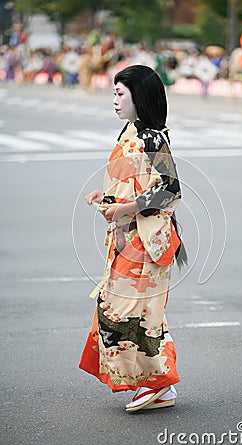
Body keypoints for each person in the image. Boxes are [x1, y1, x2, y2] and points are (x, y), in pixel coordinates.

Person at [79, 65, 186, 412]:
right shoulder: (129, 132)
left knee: (134, 310)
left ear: (139, 97)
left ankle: (158, 384)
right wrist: (107, 198)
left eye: (120, 93)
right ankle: (154, 383)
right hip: (128, 239)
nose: (114, 99)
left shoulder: (153, 137)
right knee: (123, 309)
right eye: (114, 92)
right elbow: (133, 183)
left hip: (148, 241)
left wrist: (124, 208)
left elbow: (170, 190)